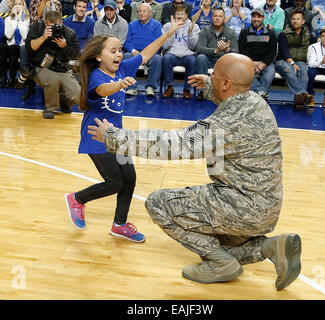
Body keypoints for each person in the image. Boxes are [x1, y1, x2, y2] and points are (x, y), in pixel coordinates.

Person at [87, 52, 302, 290]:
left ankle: (221, 263)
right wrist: (211, 87)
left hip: (242, 207)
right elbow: (232, 95)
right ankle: (271, 247)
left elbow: (172, 144)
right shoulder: (256, 102)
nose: (210, 77)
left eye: (215, 76)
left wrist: (114, 137)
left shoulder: (225, 125)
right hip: (264, 208)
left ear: (226, 83)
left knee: (158, 203)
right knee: (215, 239)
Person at [64, 17, 184, 242]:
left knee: (129, 178)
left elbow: (146, 54)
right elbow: (101, 90)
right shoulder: (97, 77)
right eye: (113, 51)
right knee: (115, 182)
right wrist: (119, 85)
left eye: (120, 50)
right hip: (96, 136)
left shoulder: (123, 67)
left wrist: (167, 35)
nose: (119, 55)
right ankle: (77, 199)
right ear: (99, 56)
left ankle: (119, 225)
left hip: (117, 136)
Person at [25, 10, 81, 119]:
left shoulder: (69, 33)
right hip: (41, 67)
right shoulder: (37, 26)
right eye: (51, 26)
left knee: (77, 94)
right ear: (45, 23)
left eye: (57, 26)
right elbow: (29, 48)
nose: (55, 28)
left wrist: (65, 46)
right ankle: (50, 107)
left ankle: (62, 101)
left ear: (62, 23)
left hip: (62, 68)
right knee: (53, 80)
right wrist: (43, 37)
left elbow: (76, 55)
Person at [275, 8, 315, 109]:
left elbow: (317, 43)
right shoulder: (284, 34)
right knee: (289, 70)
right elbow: (284, 52)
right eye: (293, 19)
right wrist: (292, 63)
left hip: (300, 61)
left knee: (304, 72)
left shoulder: (307, 33)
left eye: (298, 19)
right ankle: (304, 94)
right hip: (283, 61)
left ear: (303, 21)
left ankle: (299, 101)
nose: (295, 21)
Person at [196, 6, 238, 101]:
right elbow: (199, 48)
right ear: (212, 17)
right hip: (209, 59)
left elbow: (236, 51)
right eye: (215, 16)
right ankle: (202, 91)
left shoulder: (230, 32)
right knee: (201, 58)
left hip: (224, 61)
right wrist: (215, 50)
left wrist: (227, 50)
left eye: (220, 16)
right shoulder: (205, 30)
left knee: (231, 61)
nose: (217, 18)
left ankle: (227, 93)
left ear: (224, 18)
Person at [123, 3, 162, 96]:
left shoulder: (157, 25)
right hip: (135, 53)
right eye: (140, 11)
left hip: (150, 54)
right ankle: (131, 86)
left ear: (150, 13)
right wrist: (132, 50)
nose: (141, 13)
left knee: (157, 58)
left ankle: (150, 87)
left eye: (144, 11)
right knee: (126, 56)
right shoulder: (132, 25)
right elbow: (126, 42)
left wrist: (147, 54)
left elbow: (158, 43)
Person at [161, 4, 200, 99]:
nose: (179, 16)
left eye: (182, 14)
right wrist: (172, 31)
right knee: (166, 58)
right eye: (177, 14)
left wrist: (190, 33)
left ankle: (187, 89)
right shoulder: (167, 26)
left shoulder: (194, 26)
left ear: (186, 16)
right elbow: (165, 46)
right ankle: (169, 87)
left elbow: (194, 47)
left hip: (188, 54)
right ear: (174, 15)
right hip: (172, 54)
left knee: (193, 60)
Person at [238, 7, 277, 100]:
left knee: (270, 73)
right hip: (249, 62)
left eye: (259, 17)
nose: (256, 19)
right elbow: (242, 50)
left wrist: (263, 64)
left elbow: (272, 52)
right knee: (248, 73)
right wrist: (251, 62)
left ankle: (258, 95)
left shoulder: (271, 33)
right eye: (254, 16)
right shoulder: (245, 32)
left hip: (265, 62)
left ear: (263, 18)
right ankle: (261, 93)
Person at [4, 0, 30, 87]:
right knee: (13, 48)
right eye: (15, 4)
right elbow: (8, 35)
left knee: (23, 48)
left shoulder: (27, 19)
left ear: (23, 6)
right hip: (12, 45)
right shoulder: (8, 19)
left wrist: (20, 20)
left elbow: (25, 36)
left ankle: (23, 78)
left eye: (20, 4)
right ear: (13, 7)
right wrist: (15, 20)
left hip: (22, 44)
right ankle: (12, 78)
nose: (17, 6)